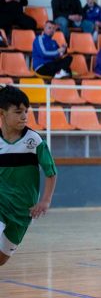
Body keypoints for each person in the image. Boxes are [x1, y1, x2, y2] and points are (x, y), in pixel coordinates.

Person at [0, 85, 57, 266]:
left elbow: (51, 172)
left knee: (2, 259)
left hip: (22, 211)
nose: (24, 116)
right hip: (1, 203)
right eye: (18, 112)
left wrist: (45, 201)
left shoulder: (34, 141)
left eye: (26, 111)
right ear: (2, 113)